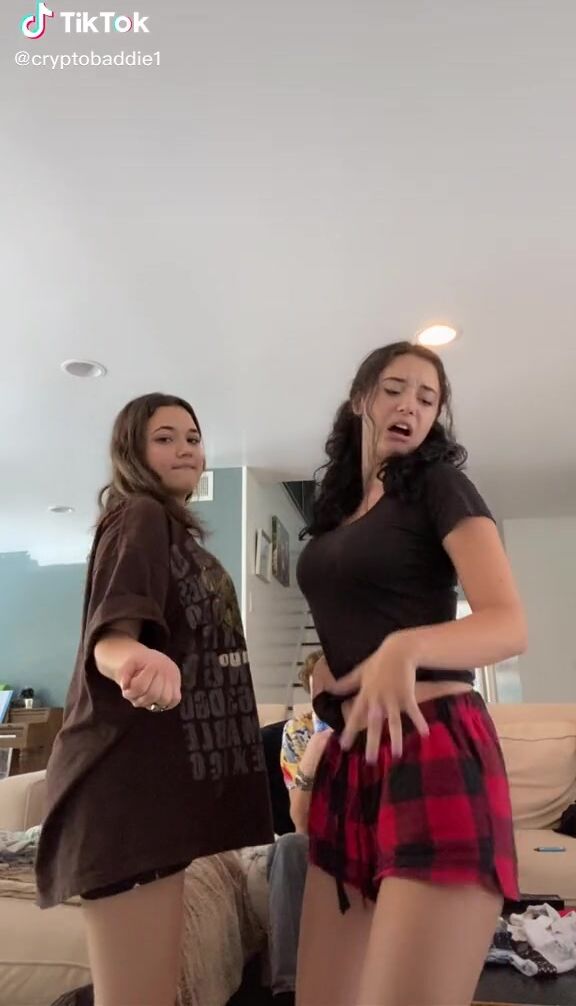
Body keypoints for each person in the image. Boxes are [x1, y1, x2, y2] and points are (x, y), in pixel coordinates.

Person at [295, 342, 527, 1006]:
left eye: (427, 399)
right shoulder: (338, 512)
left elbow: (509, 624)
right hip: (350, 762)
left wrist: (405, 648)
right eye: (395, 389)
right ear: (361, 399)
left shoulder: (439, 486)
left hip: (433, 747)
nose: (410, 406)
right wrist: (331, 678)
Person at [35, 393, 273, 1006]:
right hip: (122, 795)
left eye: (192, 437)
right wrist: (134, 659)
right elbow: (110, 640)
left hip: (157, 799)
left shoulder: (175, 535)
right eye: (165, 437)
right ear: (132, 452)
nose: (186, 448)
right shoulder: (138, 515)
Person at [266, 650, 332, 1006]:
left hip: (370, 836)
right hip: (317, 838)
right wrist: (316, 749)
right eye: (315, 694)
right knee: (289, 846)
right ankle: (288, 991)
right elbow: (301, 823)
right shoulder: (299, 731)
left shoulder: (376, 722)